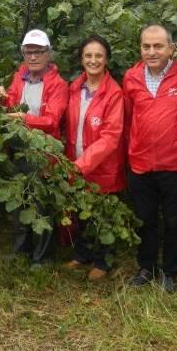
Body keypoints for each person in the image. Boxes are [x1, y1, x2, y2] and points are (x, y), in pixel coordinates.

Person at [123, 24, 177, 292]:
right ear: (140, 48)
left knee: (175, 221)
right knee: (145, 219)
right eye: (146, 46)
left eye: (158, 46)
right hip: (140, 163)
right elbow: (130, 118)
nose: (152, 52)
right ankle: (146, 267)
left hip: (175, 164)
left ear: (171, 48)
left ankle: (170, 271)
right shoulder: (131, 77)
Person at [0, 29, 69, 266]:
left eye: (38, 52)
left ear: (49, 54)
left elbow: (52, 120)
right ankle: (22, 249)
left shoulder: (58, 84)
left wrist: (22, 119)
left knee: (41, 202)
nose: (33, 57)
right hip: (19, 148)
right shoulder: (20, 77)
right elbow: (11, 104)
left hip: (44, 151)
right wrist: (0, 98)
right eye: (28, 52)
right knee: (20, 199)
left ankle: (42, 256)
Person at [63, 35, 126, 281]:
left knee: (104, 216)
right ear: (81, 59)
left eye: (98, 55)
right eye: (88, 55)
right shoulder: (74, 88)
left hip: (102, 167)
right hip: (76, 162)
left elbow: (111, 137)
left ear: (107, 59)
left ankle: (104, 260)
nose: (93, 60)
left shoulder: (114, 93)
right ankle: (82, 255)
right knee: (83, 213)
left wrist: (81, 165)